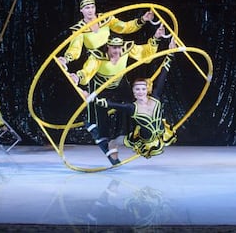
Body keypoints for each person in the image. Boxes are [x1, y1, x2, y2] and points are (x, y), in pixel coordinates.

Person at [69, 25, 166, 165]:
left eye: (119, 47)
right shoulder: (97, 56)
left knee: (133, 103)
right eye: (114, 48)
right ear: (107, 47)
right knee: (100, 111)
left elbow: (144, 53)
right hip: (100, 85)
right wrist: (78, 77)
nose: (117, 51)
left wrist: (156, 37)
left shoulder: (126, 49)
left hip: (119, 82)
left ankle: (132, 135)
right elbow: (87, 71)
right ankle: (106, 140)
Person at [94, 38, 178, 163]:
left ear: (147, 89)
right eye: (137, 89)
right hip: (145, 141)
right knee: (120, 140)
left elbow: (163, 74)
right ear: (133, 92)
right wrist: (93, 99)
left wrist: (170, 53)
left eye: (142, 89)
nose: (140, 92)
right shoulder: (132, 107)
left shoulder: (155, 98)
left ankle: (115, 143)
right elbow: (112, 104)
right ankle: (112, 143)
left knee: (130, 138)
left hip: (161, 135)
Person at [58, 0, 154, 69]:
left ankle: (151, 49)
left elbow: (124, 27)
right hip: (97, 56)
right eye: (87, 8)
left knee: (126, 46)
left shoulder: (106, 18)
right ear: (81, 10)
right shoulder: (79, 29)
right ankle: (79, 79)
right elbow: (75, 47)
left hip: (111, 49)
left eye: (92, 7)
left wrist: (142, 20)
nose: (90, 10)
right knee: (92, 62)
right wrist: (66, 59)